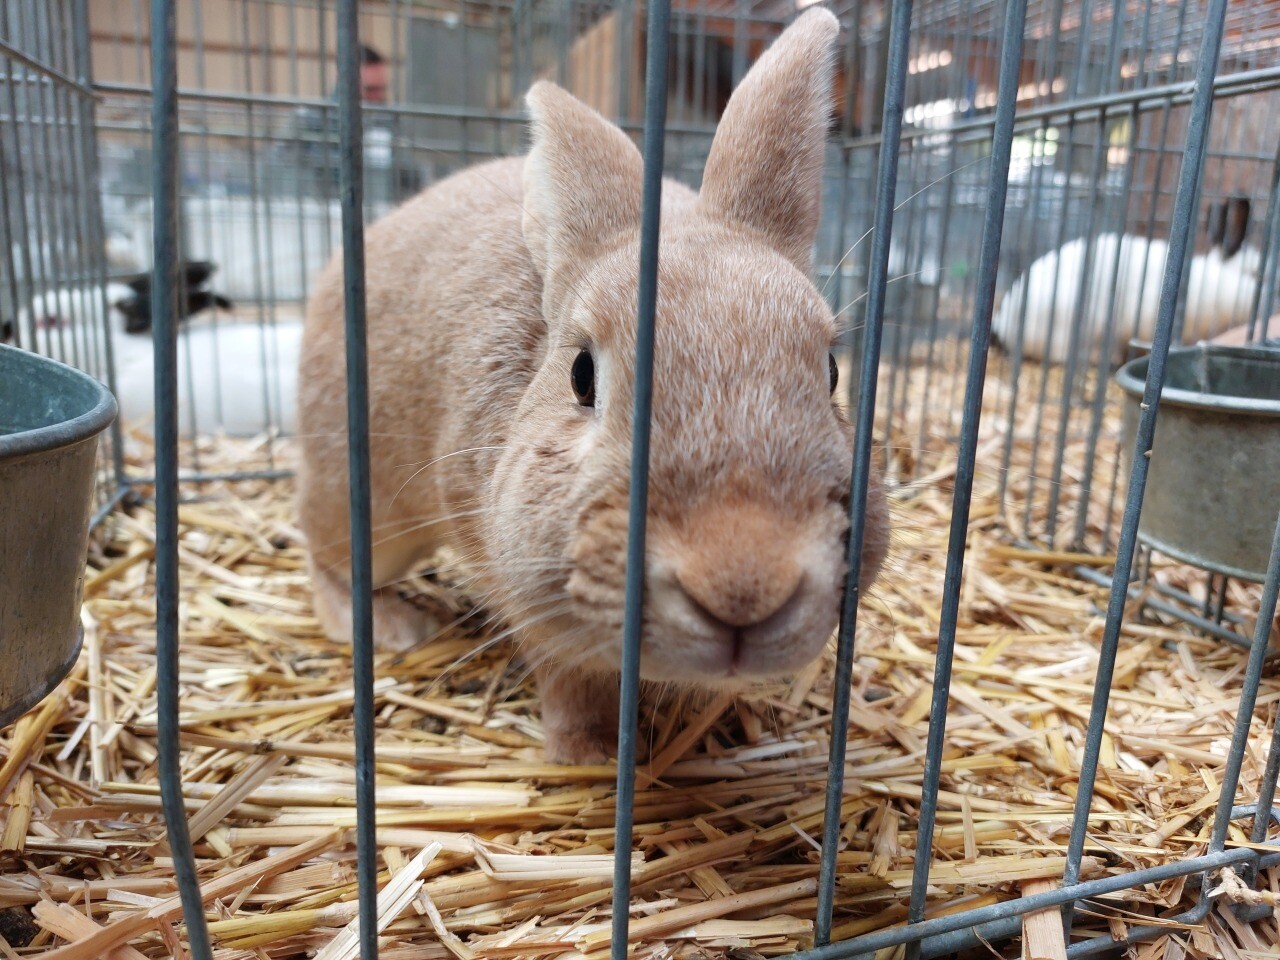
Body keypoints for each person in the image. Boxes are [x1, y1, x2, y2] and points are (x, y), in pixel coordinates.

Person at [279, 44, 423, 205]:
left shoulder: (389, 121)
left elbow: (410, 176)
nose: (378, 97)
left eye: (382, 89)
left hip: (376, 208)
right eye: (370, 90)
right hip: (316, 209)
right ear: (342, 79)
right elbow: (282, 168)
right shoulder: (308, 119)